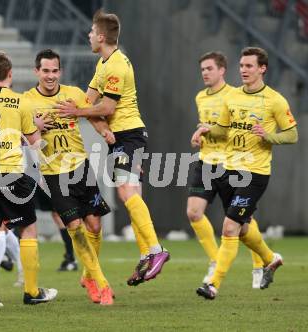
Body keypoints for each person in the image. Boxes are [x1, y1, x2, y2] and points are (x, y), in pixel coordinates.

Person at [56, 10, 170, 286]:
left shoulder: (117, 65)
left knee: (125, 192)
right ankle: (146, 254)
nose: (88, 36)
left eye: (92, 32)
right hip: (120, 137)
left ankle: (155, 251)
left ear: (102, 36)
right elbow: (87, 102)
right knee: (132, 198)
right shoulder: (103, 64)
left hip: (130, 136)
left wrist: (78, 113)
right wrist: (101, 127)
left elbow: (106, 107)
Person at [192, 47, 298, 299]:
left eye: (249, 66)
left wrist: (269, 136)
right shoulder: (232, 97)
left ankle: (213, 284)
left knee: (229, 227)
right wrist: (205, 130)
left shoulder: (275, 100)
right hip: (230, 169)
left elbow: (292, 134)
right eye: (241, 66)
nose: (244, 70)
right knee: (241, 228)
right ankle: (270, 259)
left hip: (255, 173)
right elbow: (223, 130)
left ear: (262, 69)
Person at [0, 51, 57, 306]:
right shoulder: (22, 103)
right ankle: (31, 291)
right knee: (28, 228)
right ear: (10, 74)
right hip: (12, 175)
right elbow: (35, 143)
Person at [24, 48, 114, 305]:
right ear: (36, 72)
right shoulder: (26, 101)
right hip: (53, 174)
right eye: (45, 71)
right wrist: (35, 129)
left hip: (81, 168)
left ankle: (88, 275)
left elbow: (94, 115)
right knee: (75, 228)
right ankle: (102, 283)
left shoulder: (74, 93)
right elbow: (18, 136)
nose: (50, 76)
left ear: (60, 71)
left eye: (54, 71)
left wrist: (104, 131)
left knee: (95, 225)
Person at [188, 51, 265, 288]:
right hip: (205, 162)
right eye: (202, 69)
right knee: (193, 212)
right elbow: (206, 127)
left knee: (243, 219)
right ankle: (214, 259)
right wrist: (199, 136)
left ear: (222, 70)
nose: (205, 73)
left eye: (209, 69)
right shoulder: (200, 97)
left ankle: (259, 265)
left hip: (229, 164)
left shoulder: (235, 95)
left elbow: (237, 129)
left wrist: (212, 129)